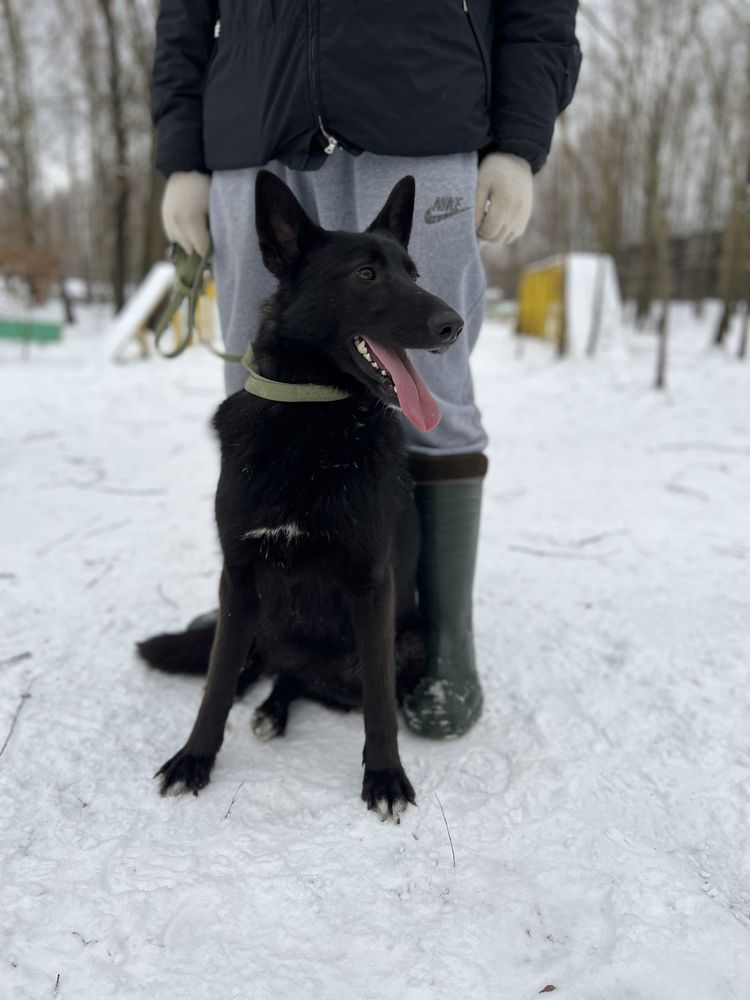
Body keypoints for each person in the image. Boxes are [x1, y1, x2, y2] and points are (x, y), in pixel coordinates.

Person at [152, 0, 581, 738]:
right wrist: (182, 151)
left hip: (421, 114)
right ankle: (272, 607)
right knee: (262, 387)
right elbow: (185, 13)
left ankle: (442, 638)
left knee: (430, 392)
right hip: (251, 126)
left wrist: (517, 139)